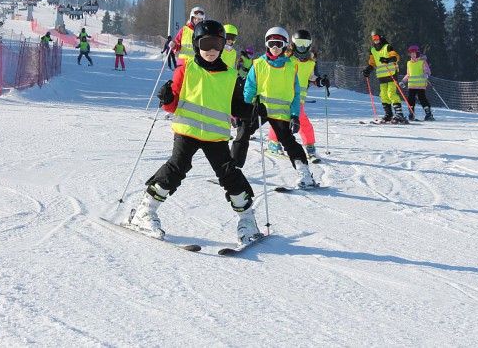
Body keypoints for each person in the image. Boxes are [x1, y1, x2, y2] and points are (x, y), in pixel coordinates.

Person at [130, 20, 260, 246]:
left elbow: (236, 107)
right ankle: (145, 211)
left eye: (217, 44)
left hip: (215, 137)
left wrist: (253, 111)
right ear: (196, 44)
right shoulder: (186, 69)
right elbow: (172, 105)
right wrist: (167, 99)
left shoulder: (230, 76)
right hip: (187, 131)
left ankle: (247, 220)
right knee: (177, 167)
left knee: (229, 174)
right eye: (206, 43)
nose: (211, 50)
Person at [230, 27, 318, 188]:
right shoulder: (258, 64)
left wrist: (295, 115)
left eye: (278, 44)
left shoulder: (291, 66)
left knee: (288, 141)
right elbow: (249, 88)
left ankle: (304, 173)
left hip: (281, 113)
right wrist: (244, 109)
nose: (275, 48)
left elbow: (296, 93)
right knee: (242, 133)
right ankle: (232, 170)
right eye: (271, 44)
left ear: (285, 45)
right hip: (259, 110)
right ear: (266, 45)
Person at [267, 30, 329, 163]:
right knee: (281, 119)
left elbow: (312, 78)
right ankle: (273, 142)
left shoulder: (311, 62)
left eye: (305, 43)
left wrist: (320, 81)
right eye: (299, 43)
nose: (302, 46)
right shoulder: (287, 59)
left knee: (299, 121)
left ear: (309, 44)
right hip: (284, 96)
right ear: (293, 44)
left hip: (298, 99)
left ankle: (310, 147)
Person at [362, 30, 407, 123]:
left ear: (381, 37)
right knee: (383, 95)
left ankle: (399, 113)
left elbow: (395, 57)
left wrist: (387, 59)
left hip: (391, 73)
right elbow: (372, 63)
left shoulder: (388, 47)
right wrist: (368, 70)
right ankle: (388, 114)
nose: (375, 40)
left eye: (376, 38)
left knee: (391, 93)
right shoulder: (373, 50)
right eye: (373, 38)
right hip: (381, 76)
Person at [400, 45, 434, 121]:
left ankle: (428, 114)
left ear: (417, 53)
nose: (412, 55)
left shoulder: (422, 61)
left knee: (422, 99)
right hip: (411, 86)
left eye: (414, 53)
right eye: (411, 53)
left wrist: (426, 74)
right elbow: (408, 74)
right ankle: (411, 113)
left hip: (420, 85)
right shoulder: (409, 63)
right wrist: (403, 81)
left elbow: (428, 71)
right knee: (410, 99)